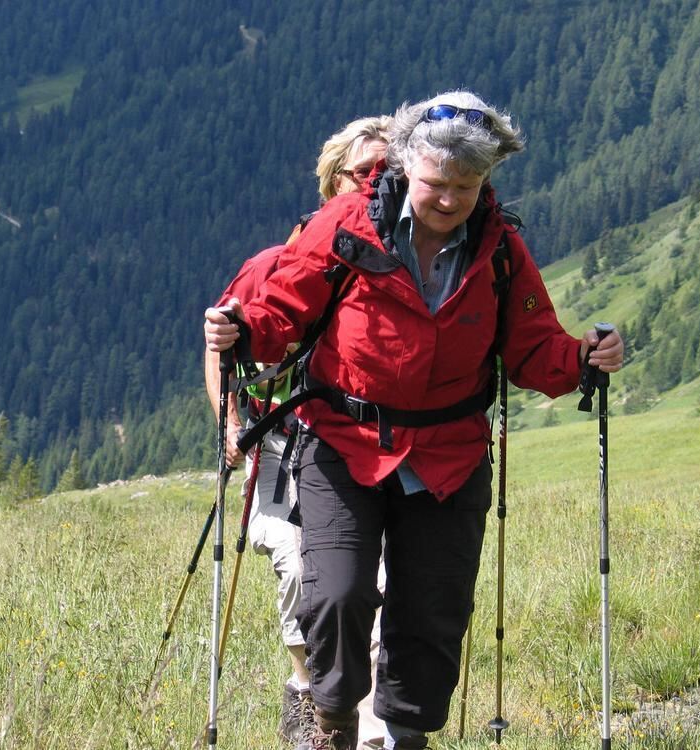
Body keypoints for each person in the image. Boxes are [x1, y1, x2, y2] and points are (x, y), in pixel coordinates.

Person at [205, 90, 624, 750]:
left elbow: (533, 346)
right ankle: (333, 725)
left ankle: (405, 739)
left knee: (431, 615)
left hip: (449, 455)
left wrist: (584, 359)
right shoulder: (347, 225)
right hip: (342, 442)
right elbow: (283, 307)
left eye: (467, 184)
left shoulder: (501, 250)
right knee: (336, 597)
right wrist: (241, 328)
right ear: (406, 166)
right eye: (437, 183)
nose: (451, 200)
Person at [204, 115, 392, 748]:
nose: (377, 184)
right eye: (364, 173)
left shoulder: (401, 268)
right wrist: (231, 422)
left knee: (378, 584)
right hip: (281, 447)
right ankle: (307, 704)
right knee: (296, 570)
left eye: (388, 172)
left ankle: (357, 727)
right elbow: (221, 340)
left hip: (361, 447)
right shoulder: (275, 263)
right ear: (330, 182)